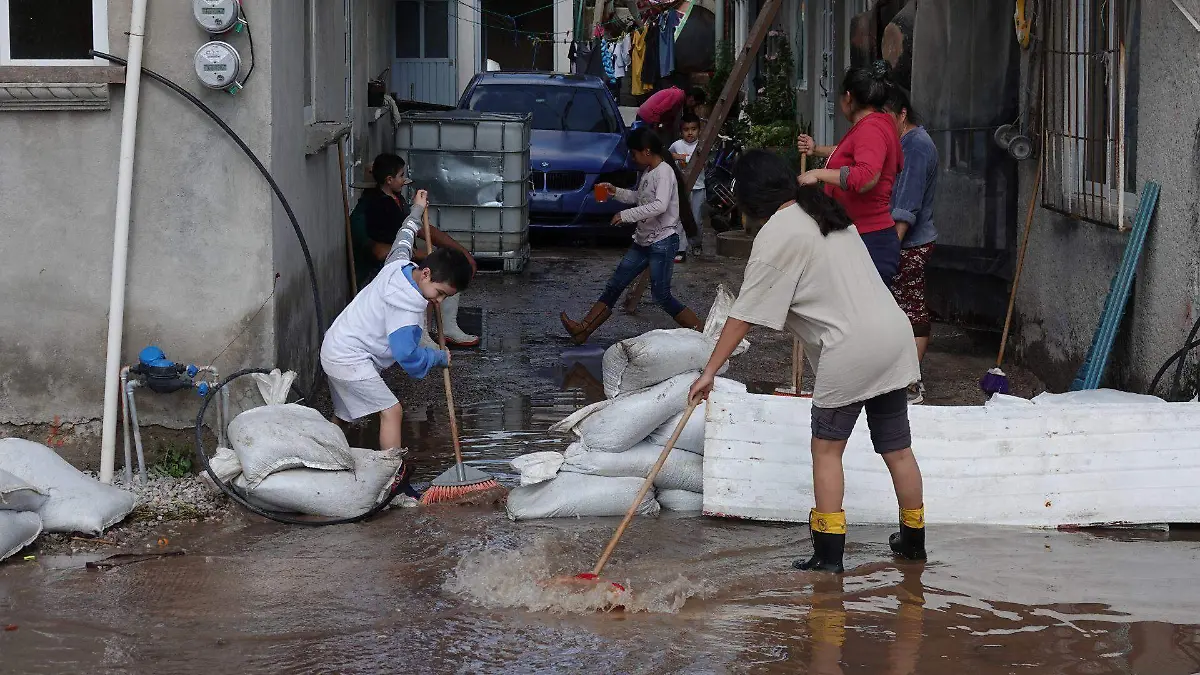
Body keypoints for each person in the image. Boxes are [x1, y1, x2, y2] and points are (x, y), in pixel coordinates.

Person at [689, 150, 926, 574]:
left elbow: (743, 315)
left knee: (827, 450)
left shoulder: (777, 234)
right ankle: (913, 542)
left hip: (851, 351)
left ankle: (829, 556)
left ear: (749, 199)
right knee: (898, 449)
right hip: (894, 336)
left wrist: (709, 372)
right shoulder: (825, 212)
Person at [321, 188, 473, 460]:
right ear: (425, 273)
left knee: (344, 416)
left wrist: (416, 210)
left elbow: (405, 236)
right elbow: (406, 355)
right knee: (392, 410)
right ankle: (392, 474)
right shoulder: (404, 306)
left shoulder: (399, 264)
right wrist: (438, 357)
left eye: (445, 298)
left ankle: (320, 453)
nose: (438, 302)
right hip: (348, 357)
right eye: (440, 293)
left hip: (339, 346)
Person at [559, 127, 702, 343]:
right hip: (643, 241)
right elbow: (640, 197)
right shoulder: (649, 172)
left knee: (661, 296)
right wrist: (615, 192)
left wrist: (627, 215)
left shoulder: (664, 172)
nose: (632, 158)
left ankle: (702, 332)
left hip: (662, 241)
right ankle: (583, 330)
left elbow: (659, 205)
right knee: (615, 285)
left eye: (633, 153)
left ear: (646, 151)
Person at [354, 153, 481, 347]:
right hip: (386, 270)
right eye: (401, 175)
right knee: (433, 275)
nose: (405, 180)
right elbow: (382, 251)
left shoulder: (396, 198)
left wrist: (460, 252)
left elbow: (422, 228)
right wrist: (424, 255)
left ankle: (446, 328)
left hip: (405, 259)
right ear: (389, 180)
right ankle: (420, 336)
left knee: (450, 268)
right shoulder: (377, 206)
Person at [796, 61, 904, 287]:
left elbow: (865, 176)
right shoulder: (875, 124)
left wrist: (819, 173)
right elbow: (851, 154)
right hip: (865, 235)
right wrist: (817, 150)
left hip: (869, 239)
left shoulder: (871, 128)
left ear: (848, 97)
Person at [884, 87, 939, 405]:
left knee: (911, 309)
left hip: (910, 242)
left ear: (902, 114)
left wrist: (893, 246)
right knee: (900, 308)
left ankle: (911, 383)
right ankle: (899, 377)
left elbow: (907, 205)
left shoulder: (917, 146)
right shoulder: (904, 142)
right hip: (903, 240)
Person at [670, 112, 707, 262]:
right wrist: (678, 157)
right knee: (681, 219)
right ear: (681, 131)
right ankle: (681, 249)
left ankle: (696, 243)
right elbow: (668, 154)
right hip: (682, 188)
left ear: (699, 130)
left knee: (697, 219)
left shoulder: (702, 144)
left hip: (699, 187)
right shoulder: (677, 145)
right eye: (686, 129)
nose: (690, 132)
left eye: (693, 129)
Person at [635, 85, 704, 134]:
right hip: (646, 117)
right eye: (696, 104)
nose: (694, 106)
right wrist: (655, 132)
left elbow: (670, 117)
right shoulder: (678, 96)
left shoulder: (680, 98)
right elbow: (657, 111)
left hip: (647, 116)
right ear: (691, 98)